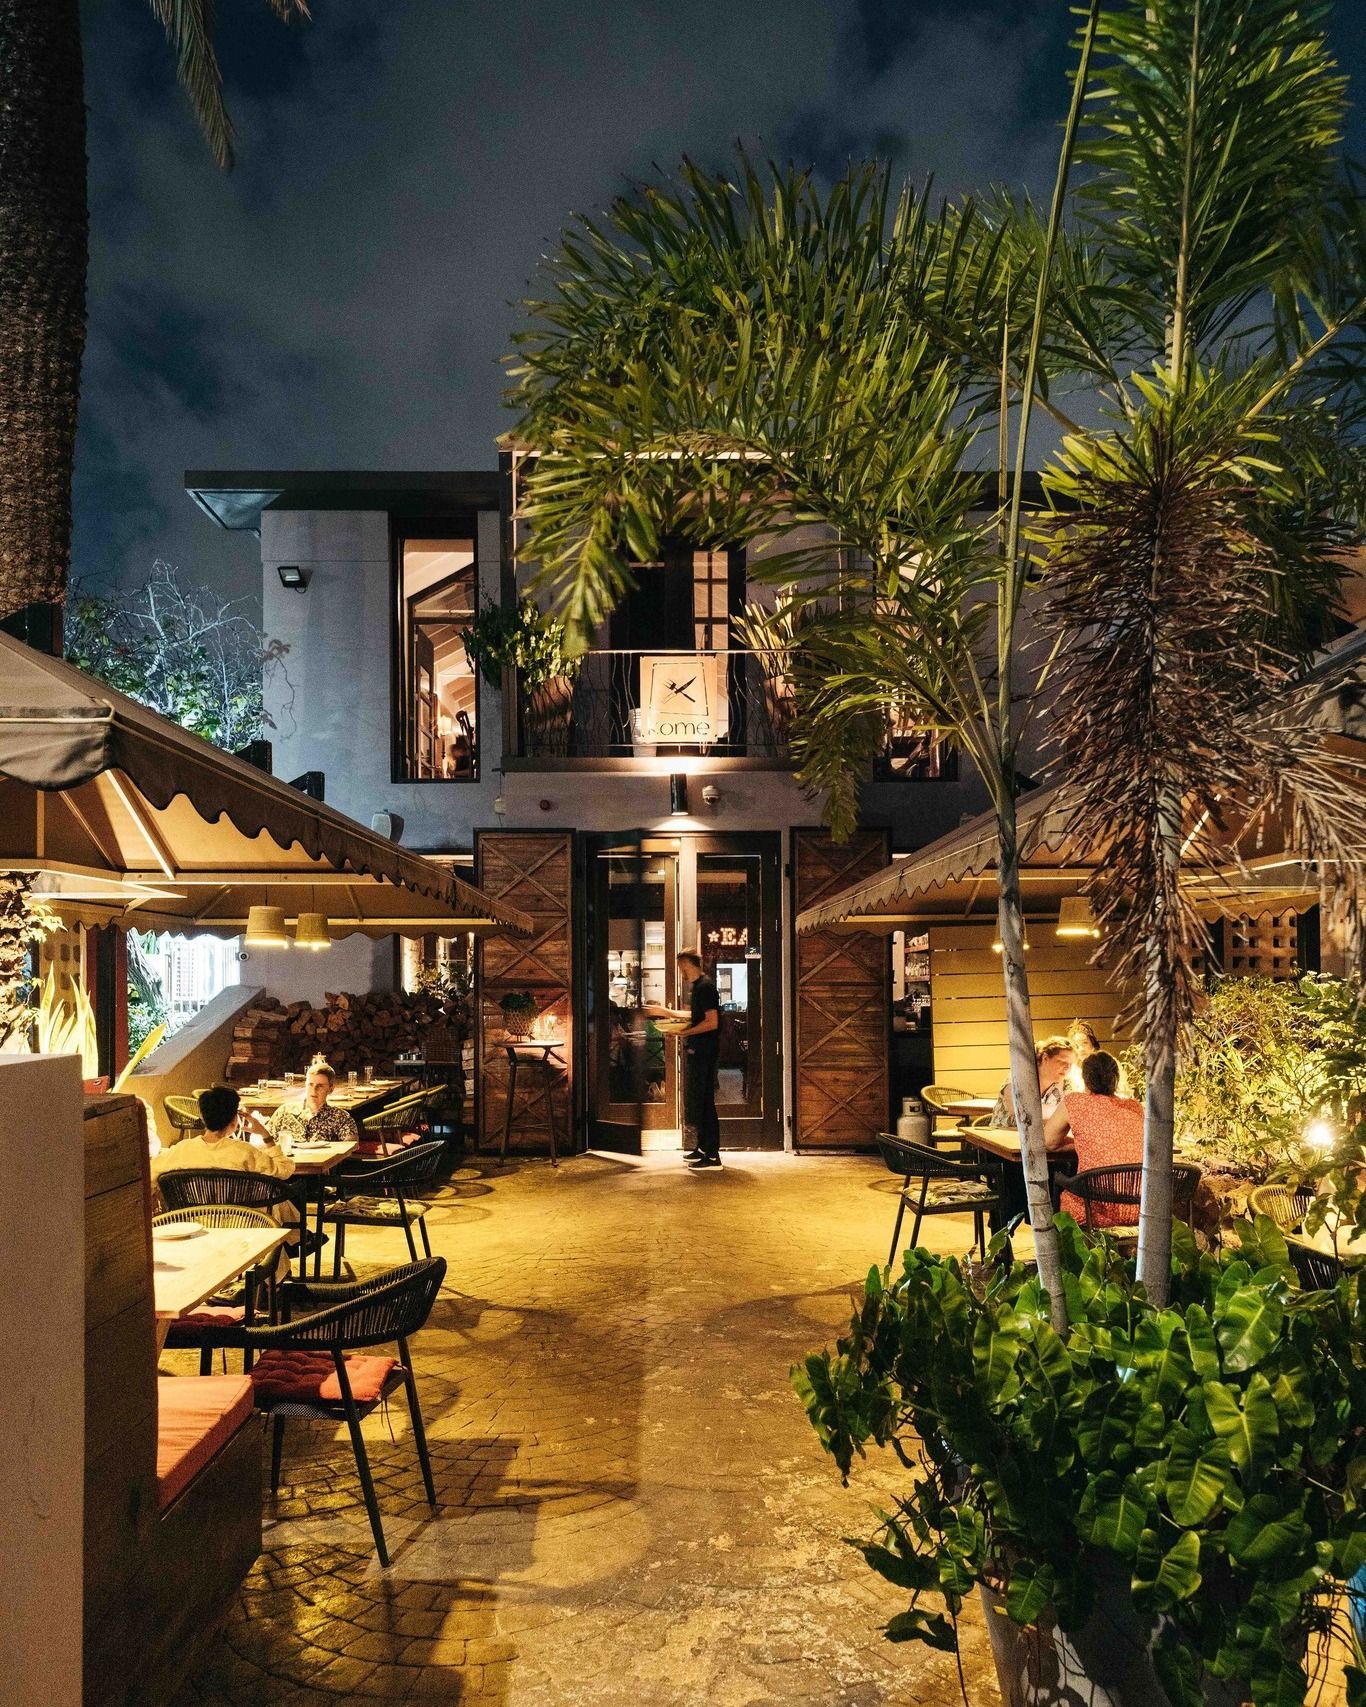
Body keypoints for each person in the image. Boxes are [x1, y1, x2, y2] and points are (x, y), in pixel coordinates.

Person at [151, 1083, 299, 1269]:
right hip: (245, 1224)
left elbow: (150, 1176)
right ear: (234, 1120)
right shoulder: (244, 1152)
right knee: (282, 1202)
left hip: (193, 1224)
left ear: (203, 1118)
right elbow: (285, 1170)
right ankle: (295, 1244)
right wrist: (266, 1136)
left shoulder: (181, 1150)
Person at [648, 949, 721, 1169]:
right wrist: (666, 1013)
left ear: (689, 964)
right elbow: (692, 1017)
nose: (680, 970)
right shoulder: (697, 987)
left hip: (705, 1053)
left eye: (681, 965)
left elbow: (712, 1022)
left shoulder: (706, 987)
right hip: (698, 1052)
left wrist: (683, 1033)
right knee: (699, 1101)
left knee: (706, 1103)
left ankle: (713, 1155)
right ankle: (702, 1148)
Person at [1058, 1050, 1145, 1228]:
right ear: (1116, 1077)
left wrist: (1083, 1143)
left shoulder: (1075, 1102)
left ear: (1085, 1078)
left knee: (1057, 1185)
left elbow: (1049, 1141)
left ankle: (1066, 1254)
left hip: (1094, 1209)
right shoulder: (1134, 1107)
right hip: (1138, 1208)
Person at [991, 1035, 1076, 1150]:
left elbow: (1073, 1114)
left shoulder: (1067, 1083)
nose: (1067, 1068)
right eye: (1062, 1062)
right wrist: (1060, 1115)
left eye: (1071, 1064)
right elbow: (1021, 1113)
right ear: (1045, 1058)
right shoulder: (1019, 1078)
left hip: (1044, 1145)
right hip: (1004, 1146)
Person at [265, 1061, 360, 1147]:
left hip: (322, 1163)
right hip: (287, 1163)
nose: (314, 1090)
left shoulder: (340, 1117)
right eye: (310, 1084)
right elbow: (264, 1139)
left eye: (320, 1086)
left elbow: (351, 1146)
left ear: (330, 1089)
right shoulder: (284, 1112)